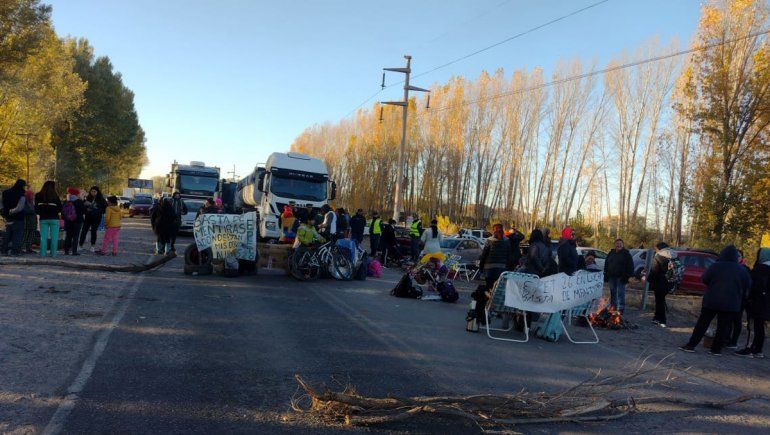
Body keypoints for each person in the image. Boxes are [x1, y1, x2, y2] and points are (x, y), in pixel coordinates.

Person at [680, 245, 751, 355]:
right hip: (731, 303)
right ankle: (716, 349)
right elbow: (747, 285)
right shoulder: (742, 270)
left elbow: (704, 279)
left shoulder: (715, 266)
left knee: (702, 324)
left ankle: (691, 345)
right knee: (723, 327)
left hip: (712, 301)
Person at [736, 248, 770, 358]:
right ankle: (758, 350)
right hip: (767, 305)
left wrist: (748, 299)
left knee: (752, 327)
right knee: (761, 327)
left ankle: (749, 348)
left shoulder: (759, 270)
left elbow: (752, 287)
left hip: (756, 303)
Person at [647, 242, 676, 328]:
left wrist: (648, 280)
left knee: (659, 301)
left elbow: (654, 270)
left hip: (660, 283)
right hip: (671, 282)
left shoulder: (659, 256)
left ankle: (662, 320)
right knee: (661, 300)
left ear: (659, 248)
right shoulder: (674, 255)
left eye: (656, 249)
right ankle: (656, 317)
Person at [604, 238, 635, 313]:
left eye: (620, 243)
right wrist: (606, 273)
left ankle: (621, 308)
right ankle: (613, 307)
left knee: (621, 293)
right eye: (617, 243)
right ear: (615, 245)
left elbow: (630, 266)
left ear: (623, 245)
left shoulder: (626, 254)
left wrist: (628, 276)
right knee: (613, 292)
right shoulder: (611, 253)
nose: (619, 245)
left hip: (621, 277)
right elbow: (606, 263)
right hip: (611, 276)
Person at [479, 223, 513, 289]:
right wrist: (509, 268)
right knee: (498, 290)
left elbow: (484, 255)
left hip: (489, 269)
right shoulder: (507, 241)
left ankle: (488, 299)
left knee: (489, 288)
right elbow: (509, 256)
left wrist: (481, 267)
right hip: (502, 269)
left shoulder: (489, 240)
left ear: (493, 230)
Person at [35, 181, 62, 258]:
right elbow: (60, 208)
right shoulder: (55, 196)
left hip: (43, 219)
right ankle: (53, 254)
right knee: (54, 237)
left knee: (43, 237)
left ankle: (42, 254)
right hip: (54, 219)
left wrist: (42, 211)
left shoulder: (38, 195)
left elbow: (36, 209)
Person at [1, 179, 27, 256]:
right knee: (17, 235)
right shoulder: (21, 194)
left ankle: (4, 250)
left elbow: (1, 203)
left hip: (7, 217)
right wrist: (12, 211)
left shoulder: (5, 192)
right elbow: (20, 207)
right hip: (18, 217)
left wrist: (3, 211)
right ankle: (14, 251)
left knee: (7, 234)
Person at [79, 186, 106, 252]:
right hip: (88, 217)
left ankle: (92, 246)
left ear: (97, 192)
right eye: (92, 191)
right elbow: (83, 207)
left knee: (94, 231)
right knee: (84, 231)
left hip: (96, 217)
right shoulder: (88, 198)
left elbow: (104, 209)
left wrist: (93, 205)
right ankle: (80, 245)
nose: (93, 193)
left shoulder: (101, 199)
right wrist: (86, 208)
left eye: (94, 191)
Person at [63, 188, 85, 255]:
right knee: (76, 236)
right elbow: (84, 211)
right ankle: (74, 251)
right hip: (77, 221)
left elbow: (63, 212)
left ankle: (66, 251)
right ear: (76, 194)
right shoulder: (79, 201)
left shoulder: (66, 201)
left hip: (68, 221)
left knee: (68, 236)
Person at [20, 186, 37, 254]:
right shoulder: (25, 201)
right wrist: (32, 211)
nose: (33, 197)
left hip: (33, 221)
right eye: (32, 195)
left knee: (31, 235)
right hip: (27, 221)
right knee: (25, 234)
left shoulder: (32, 202)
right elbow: (23, 210)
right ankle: (20, 248)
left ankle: (29, 248)